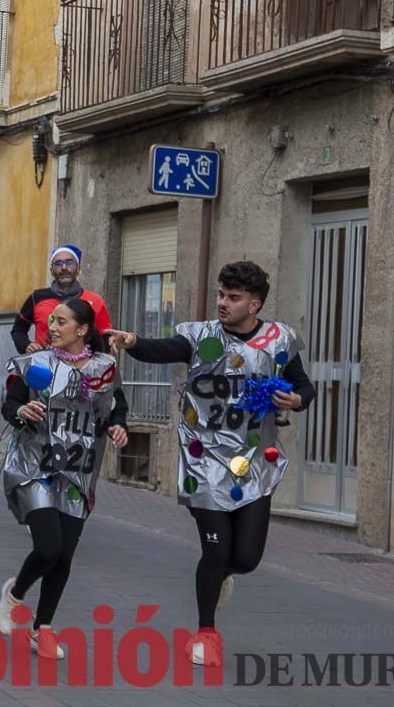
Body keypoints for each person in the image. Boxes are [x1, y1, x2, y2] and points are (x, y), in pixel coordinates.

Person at [105, 261, 315, 667]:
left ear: (254, 305)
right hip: (203, 459)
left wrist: (298, 399)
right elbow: (162, 349)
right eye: (221, 294)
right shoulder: (200, 336)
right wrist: (132, 341)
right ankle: (206, 633)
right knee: (215, 550)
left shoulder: (278, 340)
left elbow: (303, 384)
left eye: (233, 298)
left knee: (247, 558)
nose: (222, 303)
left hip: (254, 463)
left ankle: (220, 575)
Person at [0, 298, 128, 659]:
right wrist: (21, 410)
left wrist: (118, 426)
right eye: (51, 320)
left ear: (82, 330)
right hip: (35, 464)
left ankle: (43, 629)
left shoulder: (105, 368)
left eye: (62, 322)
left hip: (79, 470)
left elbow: (117, 407)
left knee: (64, 556)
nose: (52, 327)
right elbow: (9, 405)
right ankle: (15, 595)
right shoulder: (34, 362)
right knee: (49, 547)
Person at [11, 245, 111, 354]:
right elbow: (18, 330)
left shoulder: (95, 300)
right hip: (44, 366)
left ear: (78, 269)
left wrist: (94, 362)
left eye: (69, 262)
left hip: (82, 366)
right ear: (51, 270)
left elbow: (105, 337)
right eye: (58, 263)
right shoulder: (37, 297)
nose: (64, 267)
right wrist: (26, 345)